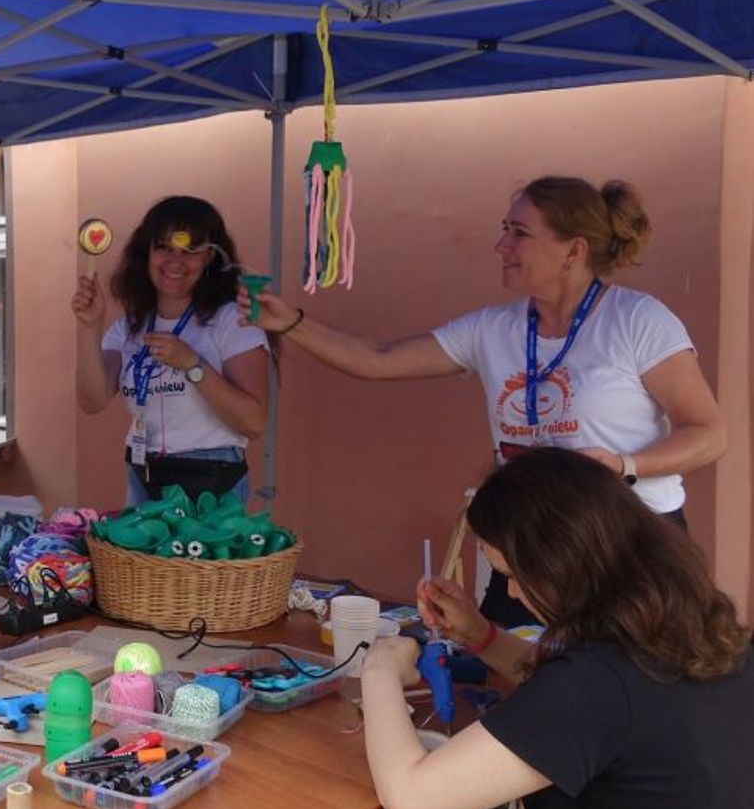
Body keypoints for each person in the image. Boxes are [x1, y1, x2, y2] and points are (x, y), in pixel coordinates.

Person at [248, 176, 725, 624]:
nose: (501, 246)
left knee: (625, 674)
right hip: (529, 541)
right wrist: (292, 324)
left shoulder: (638, 320)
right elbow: (378, 359)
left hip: (627, 538)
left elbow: (707, 433)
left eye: (519, 233)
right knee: (509, 667)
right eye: (505, 230)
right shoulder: (493, 328)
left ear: (573, 250)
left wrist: (623, 465)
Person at [361, 448, 754, 809]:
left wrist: (380, 668)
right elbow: (581, 698)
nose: (511, 592)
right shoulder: (707, 637)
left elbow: (410, 802)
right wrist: (480, 634)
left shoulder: (598, 685)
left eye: (511, 574)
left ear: (560, 564)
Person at [72, 195, 270, 505]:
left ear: (209, 257)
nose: (175, 261)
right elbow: (91, 400)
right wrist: (89, 327)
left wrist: (192, 364)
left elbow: (253, 422)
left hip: (212, 478)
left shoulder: (233, 320)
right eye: (164, 247)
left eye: (190, 250)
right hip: (143, 474)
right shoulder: (129, 327)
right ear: (147, 254)